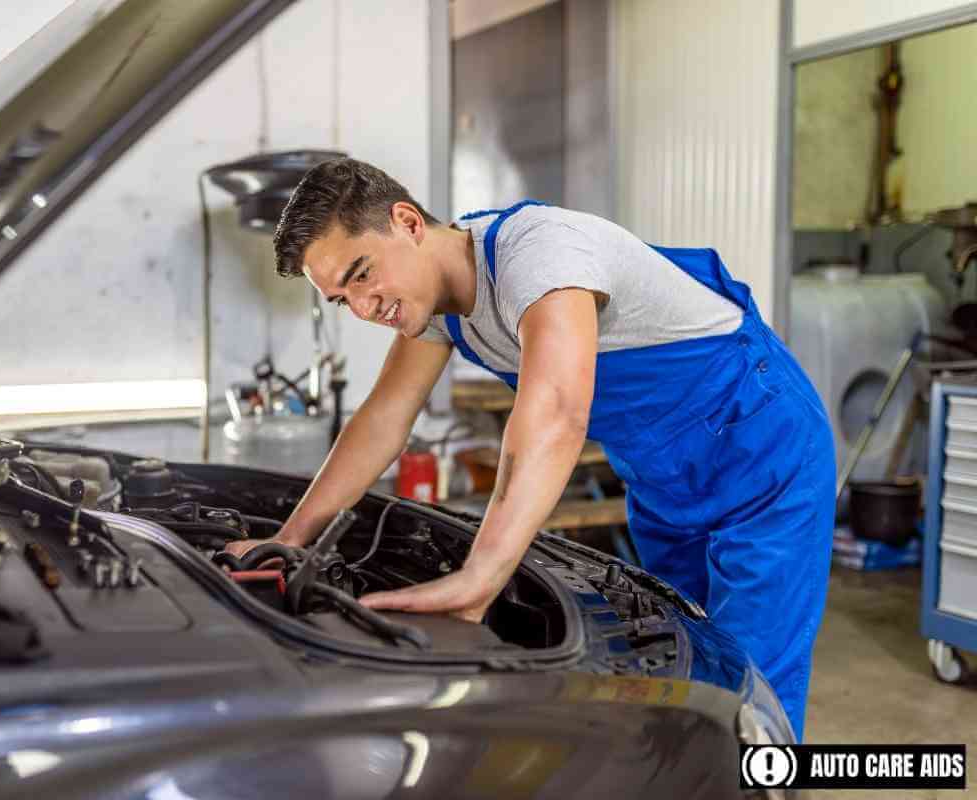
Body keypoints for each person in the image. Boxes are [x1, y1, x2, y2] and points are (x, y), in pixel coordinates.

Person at [225, 158, 834, 740]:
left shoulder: (540, 253)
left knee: (752, 687)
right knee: (683, 662)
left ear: (407, 223)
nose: (362, 308)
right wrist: (291, 538)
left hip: (761, 449)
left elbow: (557, 412)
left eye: (361, 274)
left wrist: (482, 574)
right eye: (341, 299)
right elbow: (382, 420)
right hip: (662, 475)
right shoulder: (435, 310)